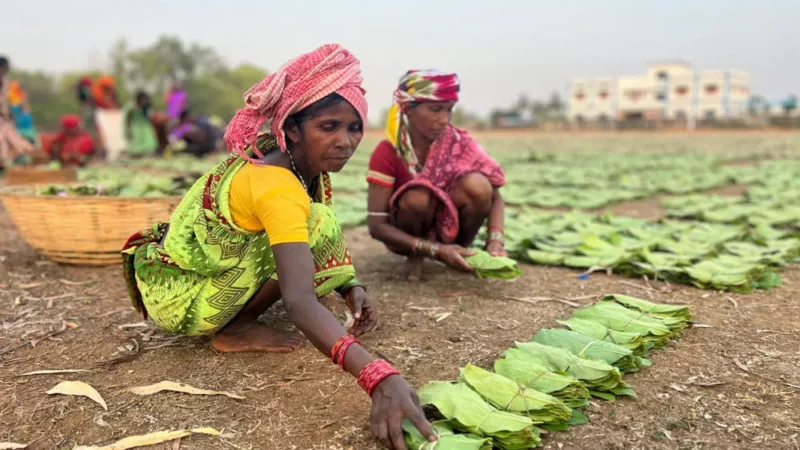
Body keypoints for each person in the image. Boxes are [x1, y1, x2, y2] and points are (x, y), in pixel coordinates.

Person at [121, 44, 436, 450]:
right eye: (328, 127)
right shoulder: (275, 182)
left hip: (193, 275)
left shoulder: (296, 162)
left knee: (315, 223)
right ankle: (233, 328)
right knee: (315, 224)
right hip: (178, 294)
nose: (345, 141)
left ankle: (241, 313)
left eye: (354, 127)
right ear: (293, 130)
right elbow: (299, 301)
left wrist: (349, 285)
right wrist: (378, 377)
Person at [366, 70, 507, 280]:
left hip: (453, 226)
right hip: (407, 232)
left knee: (478, 185)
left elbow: (495, 196)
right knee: (417, 198)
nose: (444, 119)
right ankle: (417, 254)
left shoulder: (460, 143)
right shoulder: (388, 152)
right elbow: (377, 226)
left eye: (449, 110)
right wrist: (434, 249)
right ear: (408, 108)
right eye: (435, 109)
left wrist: (495, 240)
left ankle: (461, 249)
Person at [0, 56, 34, 167]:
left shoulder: (7, 84)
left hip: (6, 121)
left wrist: (10, 117)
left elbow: (8, 104)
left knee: (14, 144)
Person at [123, 91, 159, 157]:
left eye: (146, 99)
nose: (144, 101)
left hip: (145, 126)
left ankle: (147, 154)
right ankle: (135, 154)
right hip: (135, 126)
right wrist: (127, 129)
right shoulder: (131, 106)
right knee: (136, 142)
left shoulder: (146, 107)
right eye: (143, 99)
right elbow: (126, 118)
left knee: (149, 140)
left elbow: (150, 115)